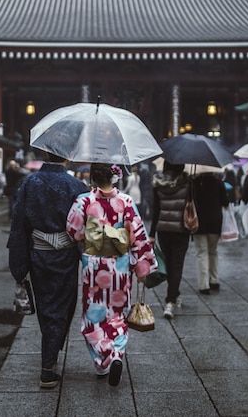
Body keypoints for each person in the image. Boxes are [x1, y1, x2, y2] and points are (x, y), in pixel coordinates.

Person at [66, 163, 158, 387]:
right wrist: (142, 267)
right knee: (117, 314)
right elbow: (138, 235)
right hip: (120, 267)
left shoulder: (84, 201)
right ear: (115, 177)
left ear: (93, 178)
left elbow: (74, 232)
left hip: (94, 268)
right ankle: (116, 354)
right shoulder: (126, 202)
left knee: (93, 316)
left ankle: (102, 359)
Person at [7, 151, 86, 389]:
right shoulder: (77, 185)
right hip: (66, 254)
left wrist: (18, 264)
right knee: (64, 303)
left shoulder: (30, 182)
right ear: (66, 157)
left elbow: (19, 221)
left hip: (38, 253)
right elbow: (86, 224)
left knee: (46, 305)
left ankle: (51, 350)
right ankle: (48, 365)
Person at [150, 161, 190, 320]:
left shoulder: (158, 184)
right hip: (181, 230)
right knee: (177, 264)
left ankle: (175, 293)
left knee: (169, 263)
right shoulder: (187, 184)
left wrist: (152, 233)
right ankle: (170, 301)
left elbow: (155, 210)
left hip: (163, 231)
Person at [192, 171, 229, 294]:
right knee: (213, 252)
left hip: (199, 223)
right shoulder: (219, 183)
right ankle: (214, 280)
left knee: (201, 253)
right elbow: (225, 202)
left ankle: (204, 285)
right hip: (215, 222)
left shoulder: (194, 183)